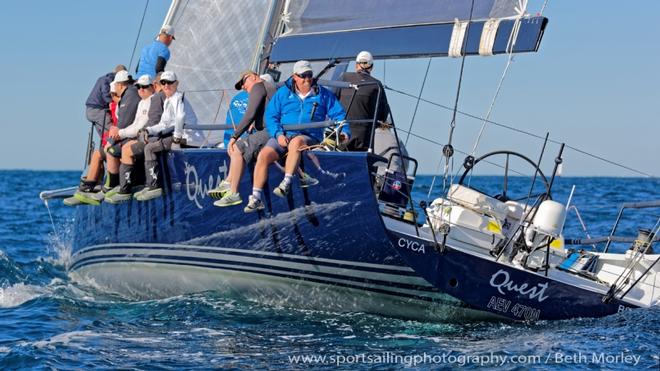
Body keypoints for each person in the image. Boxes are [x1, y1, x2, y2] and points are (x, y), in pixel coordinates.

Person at [244, 60, 348, 213]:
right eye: (303, 76)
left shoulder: (323, 94)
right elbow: (272, 116)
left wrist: (345, 131)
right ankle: (256, 197)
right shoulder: (283, 93)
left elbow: (339, 114)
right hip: (284, 136)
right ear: (294, 77)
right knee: (264, 155)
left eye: (309, 75)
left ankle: (286, 182)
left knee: (297, 142)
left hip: (308, 136)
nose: (307, 79)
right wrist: (278, 134)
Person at [208, 71, 276, 207]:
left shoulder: (258, 86)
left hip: (271, 131)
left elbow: (249, 114)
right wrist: (254, 124)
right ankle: (228, 182)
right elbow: (261, 113)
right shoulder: (267, 88)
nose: (243, 87)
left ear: (253, 77)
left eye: (244, 82)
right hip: (271, 130)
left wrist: (234, 136)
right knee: (237, 147)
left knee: (237, 147)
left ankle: (233, 193)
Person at [132, 70, 200, 201]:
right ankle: (155, 184)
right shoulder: (169, 100)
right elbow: (163, 124)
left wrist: (177, 138)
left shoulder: (178, 97)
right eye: (163, 83)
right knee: (152, 145)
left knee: (149, 148)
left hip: (187, 136)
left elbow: (181, 117)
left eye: (170, 83)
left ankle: (154, 186)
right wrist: (148, 130)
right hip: (178, 134)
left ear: (177, 83)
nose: (166, 86)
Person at [104, 75, 157, 203]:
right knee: (112, 150)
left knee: (126, 149)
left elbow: (140, 126)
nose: (141, 89)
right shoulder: (142, 102)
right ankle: (116, 185)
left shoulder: (152, 100)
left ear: (153, 87)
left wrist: (120, 133)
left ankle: (126, 189)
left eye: (145, 86)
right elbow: (134, 125)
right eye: (139, 86)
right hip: (138, 136)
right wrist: (120, 133)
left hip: (150, 137)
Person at [337, 51, 390, 151]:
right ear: (371, 67)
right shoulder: (376, 84)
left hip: (341, 135)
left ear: (356, 65)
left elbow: (331, 101)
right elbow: (383, 115)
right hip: (363, 138)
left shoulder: (344, 77)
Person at [85, 64, 126, 136]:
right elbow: (105, 92)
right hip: (97, 109)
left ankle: (105, 145)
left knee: (104, 132)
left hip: (92, 109)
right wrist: (110, 102)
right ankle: (111, 144)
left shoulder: (104, 78)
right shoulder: (109, 80)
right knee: (110, 128)